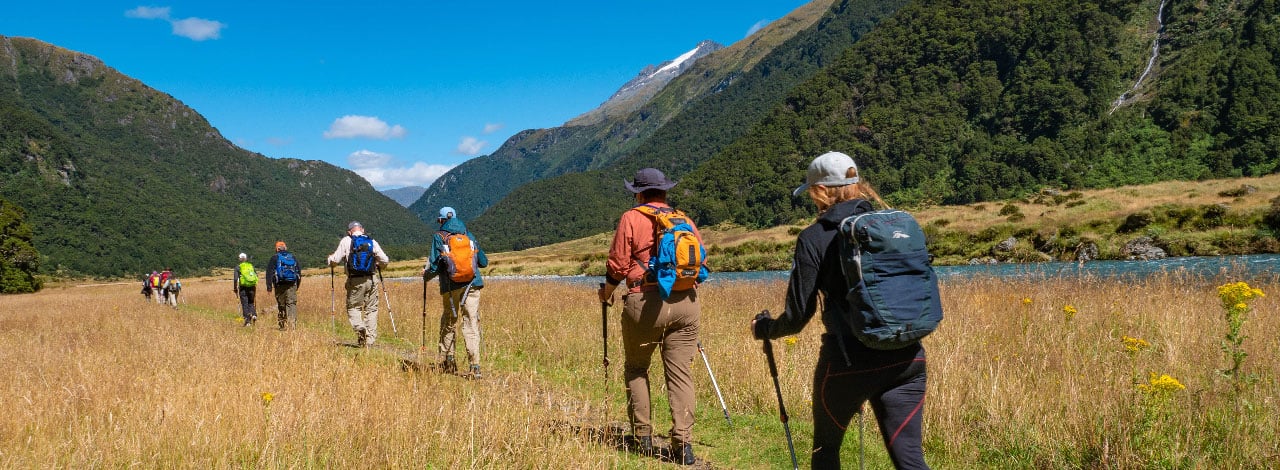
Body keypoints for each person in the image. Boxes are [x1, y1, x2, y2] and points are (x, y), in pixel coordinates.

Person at [750, 151, 929, 469]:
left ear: (820, 191)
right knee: (910, 459)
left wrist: (765, 327)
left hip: (849, 364)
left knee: (826, 452)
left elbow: (796, 318)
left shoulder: (813, 238)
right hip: (908, 357)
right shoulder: (892, 227)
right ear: (857, 185)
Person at [596, 168, 703, 465]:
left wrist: (607, 291)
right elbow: (699, 259)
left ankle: (643, 437)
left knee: (636, 368)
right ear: (665, 191)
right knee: (680, 373)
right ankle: (683, 445)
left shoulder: (632, 218)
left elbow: (617, 264)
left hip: (644, 300)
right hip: (686, 301)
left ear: (639, 193)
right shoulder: (683, 219)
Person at [423, 206, 489, 378]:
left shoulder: (439, 237)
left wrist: (426, 276)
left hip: (450, 286)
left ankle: (448, 360)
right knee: (471, 322)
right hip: (472, 284)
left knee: (449, 321)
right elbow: (483, 262)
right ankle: (475, 367)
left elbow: (435, 266)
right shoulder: (468, 234)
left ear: (441, 220)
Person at [327, 221, 389, 347]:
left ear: (349, 231)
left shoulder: (346, 241)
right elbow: (385, 260)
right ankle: (370, 340)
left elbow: (335, 260)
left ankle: (360, 328)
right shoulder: (371, 241)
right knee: (371, 309)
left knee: (353, 307)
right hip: (372, 279)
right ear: (362, 230)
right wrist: (379, 265)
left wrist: (330, 260)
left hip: (355, 279)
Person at [266, 240, 302, 330]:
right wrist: (297, 285)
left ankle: (282, 324)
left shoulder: (275, 257)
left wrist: (269, 287)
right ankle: (292, 325)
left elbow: (269, 272)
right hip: (292, 284)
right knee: (291, 303)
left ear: (277, 249)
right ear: (285, 248)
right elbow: (299, 272)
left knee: (281, 304)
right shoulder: (292, 257)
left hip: (279, 284)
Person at [232, 253, 258, 326]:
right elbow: (256, 275)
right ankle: (253, 314)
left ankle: (247, 321)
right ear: (246, 258)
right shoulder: (251, 266)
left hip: (243, 287)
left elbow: (235, 279)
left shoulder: (238, 267)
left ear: (239, 259)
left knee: (244, 303)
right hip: (252, 287)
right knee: (251, 302)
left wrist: (235, 288)